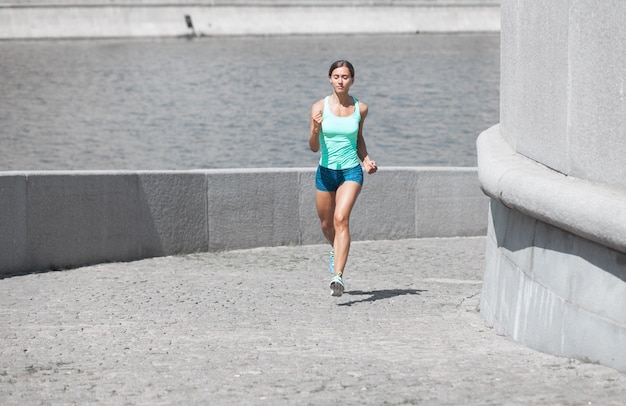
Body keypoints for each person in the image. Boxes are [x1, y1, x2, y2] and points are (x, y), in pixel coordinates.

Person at [309, 60, 377, 297]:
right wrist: (315, 129)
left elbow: (358, 139)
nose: (341, 81)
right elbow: (313, 147)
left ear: (352, 80)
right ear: (330, 78)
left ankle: (337, 276)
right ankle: (334, 248)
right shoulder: (319, 107)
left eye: (345, 77)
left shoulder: (361, 108)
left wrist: (366, 159)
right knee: (326, 224)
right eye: (336, 76)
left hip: (351, 171)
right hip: (326, 172)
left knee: (341, 219)